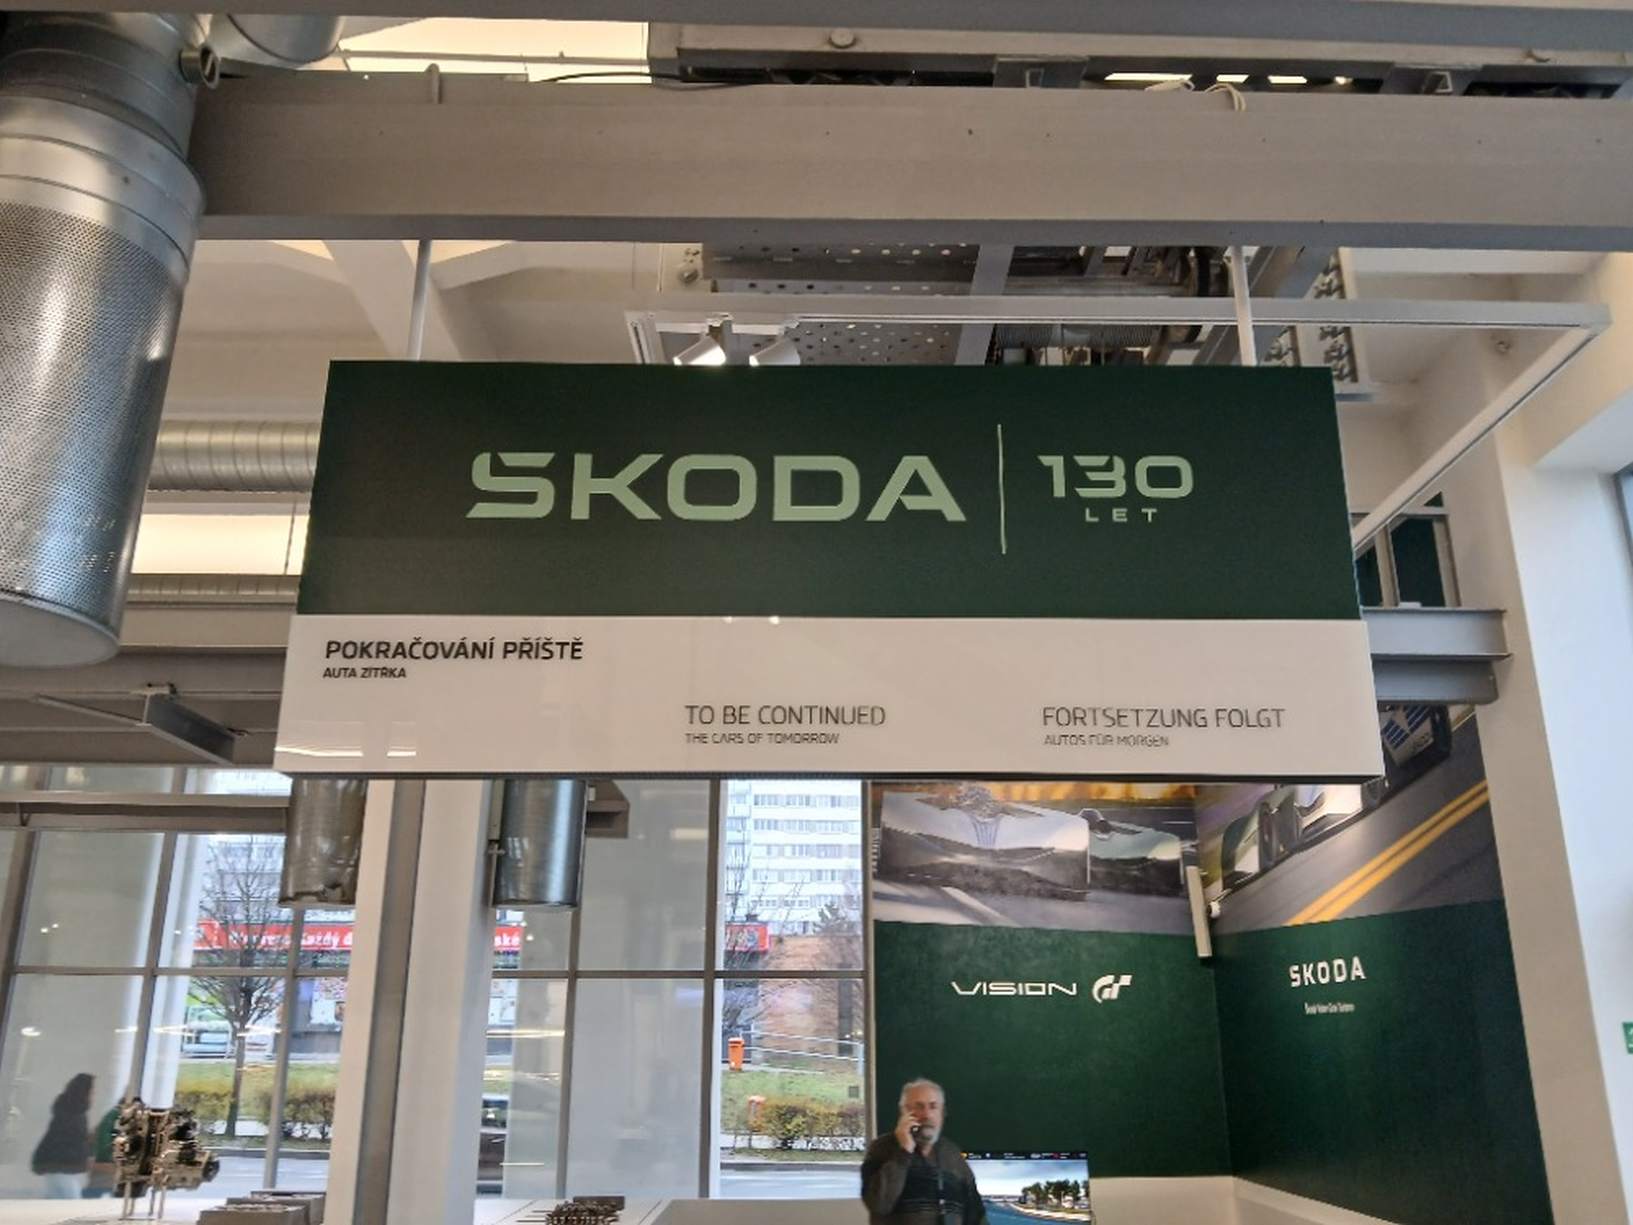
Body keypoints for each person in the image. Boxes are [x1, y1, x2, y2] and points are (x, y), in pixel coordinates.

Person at [860, 1078, 987, 1225]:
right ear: (904, 1112)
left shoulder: (952, 1155)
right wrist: (904, 1150)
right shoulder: (882, 1148)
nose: (927, 1115)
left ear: (942, 1113)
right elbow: (879, 1204)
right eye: (919, 1107)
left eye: (933, 1107)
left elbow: (976, 1215)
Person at [31, 1072, 93, 1198]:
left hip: (56, 1166)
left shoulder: (67, 1111)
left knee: (55, 1200)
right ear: (84, 1092)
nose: (93, 1096)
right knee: (71, 1203)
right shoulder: (74, 1114)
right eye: (92, 1092)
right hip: (63, 1166)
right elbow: (71, 1141)